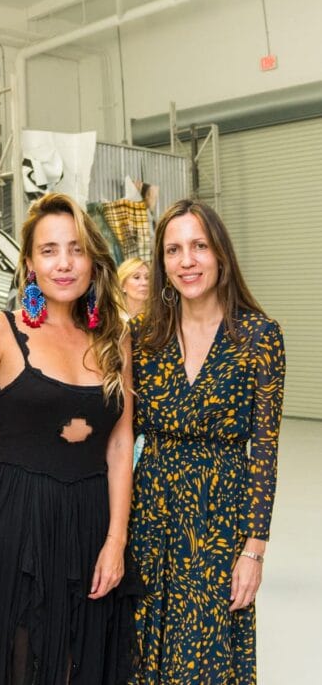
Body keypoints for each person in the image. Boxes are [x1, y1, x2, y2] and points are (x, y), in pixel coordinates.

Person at [0, 192, 139, 685]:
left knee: (83, 658)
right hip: (14, 519)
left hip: (91, 518)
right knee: (18, 655)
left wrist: (116, 539)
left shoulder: (115, 337)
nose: (64, 263)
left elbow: (120, 444)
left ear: (94, 260)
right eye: (49, 250)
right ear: (29, 263)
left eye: (76, 249)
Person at [128, 199, 285, 684]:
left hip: (220, 522)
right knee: (140, 649)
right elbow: (118, 436)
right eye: (173, 250)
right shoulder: (142, 336)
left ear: (221, 254)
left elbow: (265, 449)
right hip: (150, 515)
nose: (187, 261)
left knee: (207, 659)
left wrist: (254, 549)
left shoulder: (260, 337)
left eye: (199, 246)